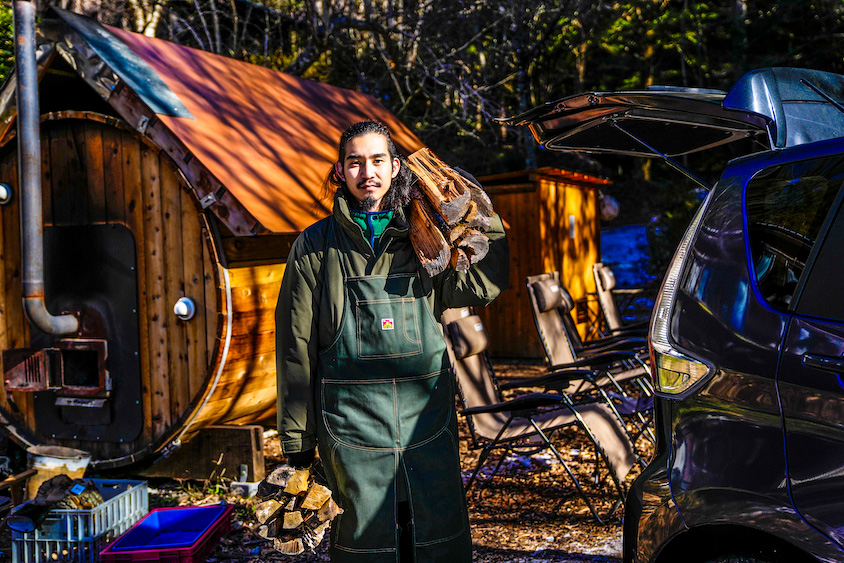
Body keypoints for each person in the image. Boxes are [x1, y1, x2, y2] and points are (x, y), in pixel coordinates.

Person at [275, 120, 509, 562]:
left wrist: (480, 213)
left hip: (426, 421)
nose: (368, 172)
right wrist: (297, 447)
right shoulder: (314, 248)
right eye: (356, 162)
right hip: (350, 428)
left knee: (435, 535)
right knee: (367, 541)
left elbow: (485, 284)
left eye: (378, 160)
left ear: (397, 167)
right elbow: (295, 351)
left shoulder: (430, 242)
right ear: (341, 172)